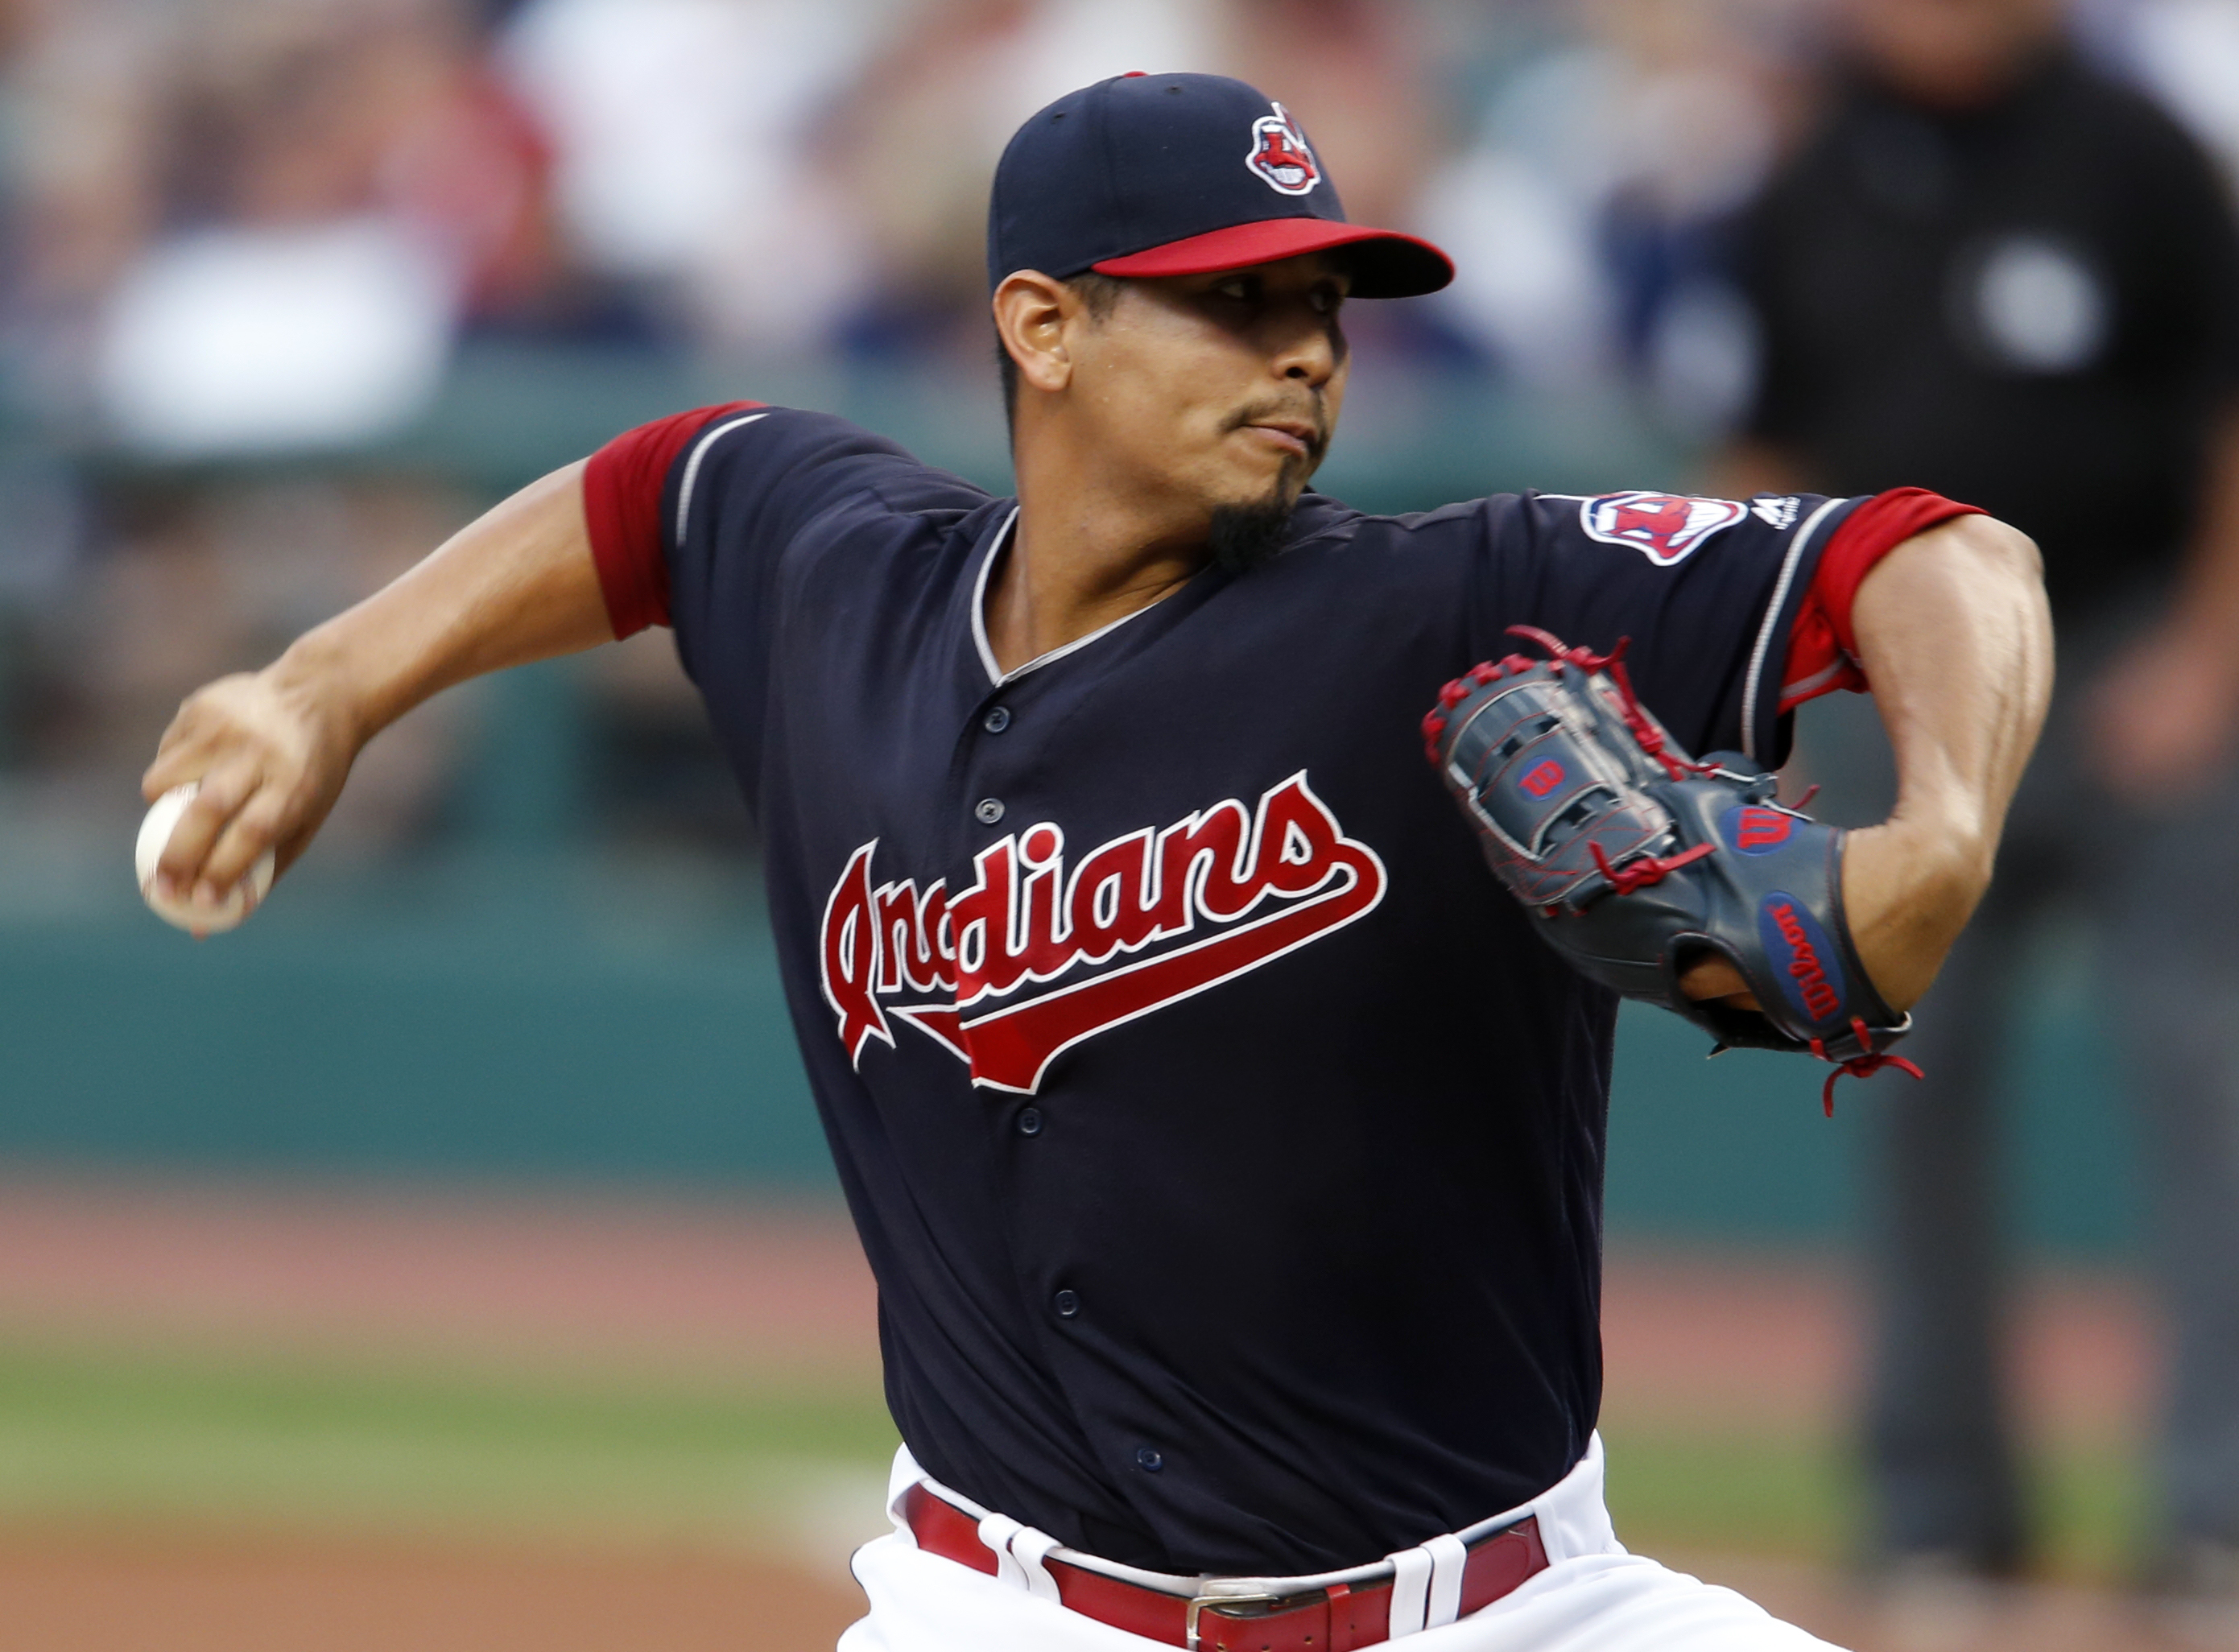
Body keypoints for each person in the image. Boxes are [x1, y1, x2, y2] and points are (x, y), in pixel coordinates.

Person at [143, 73, 2048, 1651]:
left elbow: (1945, 557)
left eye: (1321, 306)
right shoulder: (838, 574)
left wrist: (1939, 833)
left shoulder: (1454, 603)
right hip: (999, 1611)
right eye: (1232, 302)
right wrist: (322, 689)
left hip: (1496, 1614)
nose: (1301, 352)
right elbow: (655, 491)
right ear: (1041, 324)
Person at [1720, 0, 2239, 1617]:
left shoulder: (2133, 150)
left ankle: (2215, 1505)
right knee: (1892, 1085)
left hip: (2124, 653)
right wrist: (1756, 703)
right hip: (1889, 686)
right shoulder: (1800, 177)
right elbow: (1759, 453)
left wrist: (2207, 659)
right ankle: (1935, 1502)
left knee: (2205, 1071)